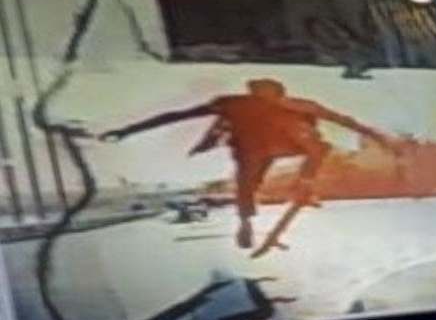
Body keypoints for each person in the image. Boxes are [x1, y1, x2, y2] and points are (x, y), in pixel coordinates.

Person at [98, 78, 394, 257]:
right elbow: (178, 115)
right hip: (264, 149)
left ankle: (290, 191)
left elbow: (176, 115)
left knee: (294, 157)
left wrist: (126, 131)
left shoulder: (273, 105)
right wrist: (127, 131)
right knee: (256, 177)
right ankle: (255, 214)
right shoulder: (241, 105)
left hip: (268, 148)